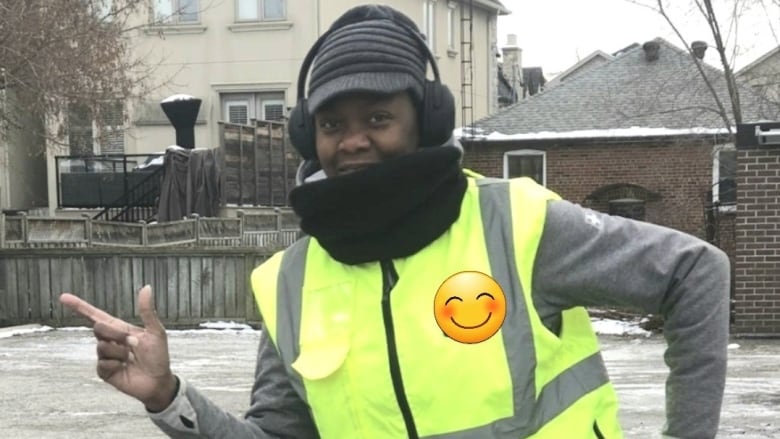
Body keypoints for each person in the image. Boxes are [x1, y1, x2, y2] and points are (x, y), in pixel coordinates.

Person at [60, 4, 730, 439]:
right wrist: (169, 396)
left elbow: (696, 272)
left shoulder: (515, 225)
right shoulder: (289, 283)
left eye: (377, 118)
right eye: (332, 124)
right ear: (307, 137)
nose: (353, 141)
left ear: (425, 121)